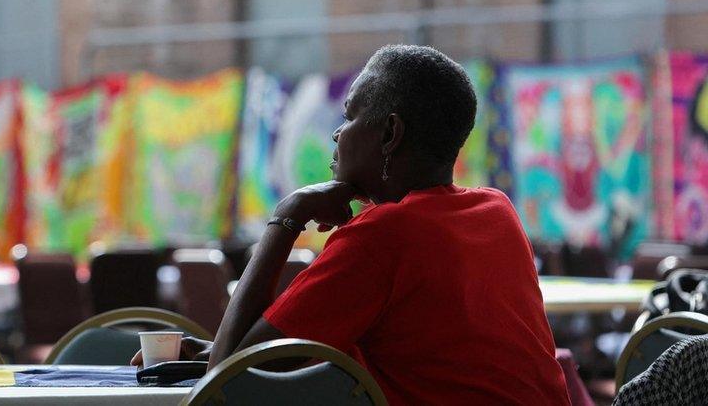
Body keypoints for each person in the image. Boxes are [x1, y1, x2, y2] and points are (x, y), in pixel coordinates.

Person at [133, 44, 570, 405]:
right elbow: (437, 355)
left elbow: (227, 380)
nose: (337, 134)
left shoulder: (383, 237)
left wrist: (288, 215)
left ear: (389, 134)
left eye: (349, 116)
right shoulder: (497, 212)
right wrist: (217, 352)